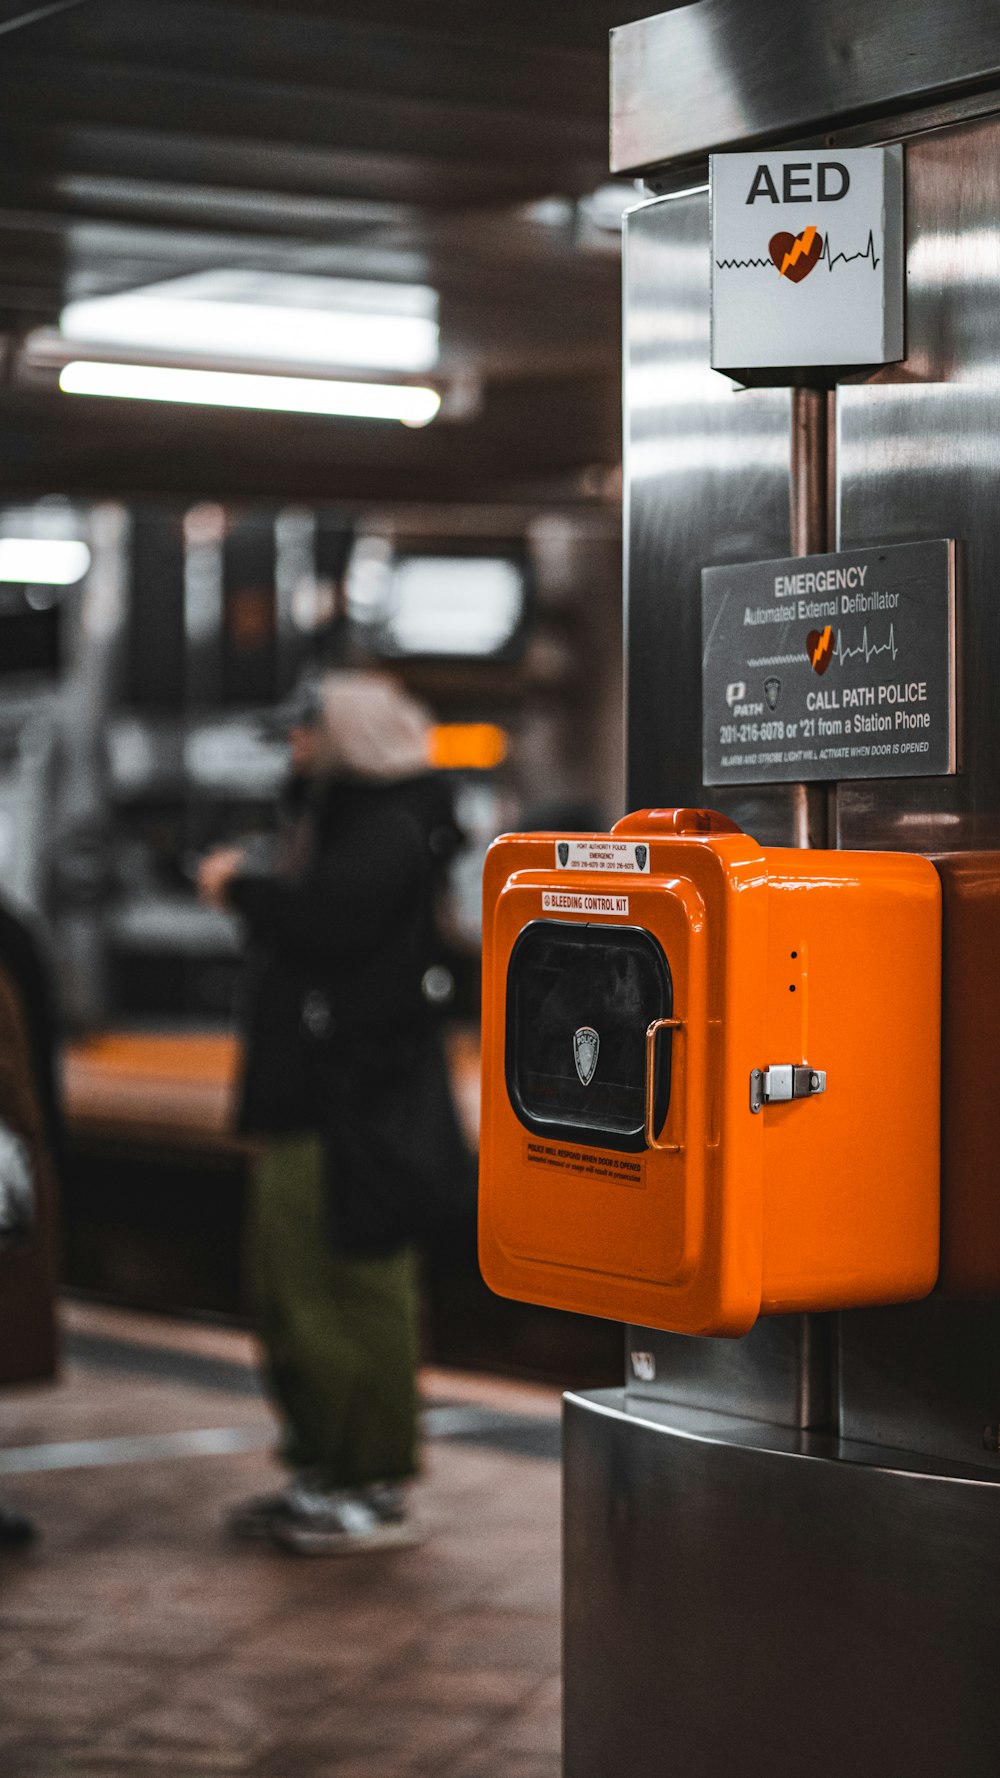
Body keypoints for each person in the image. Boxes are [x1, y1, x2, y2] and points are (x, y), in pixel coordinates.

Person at [198, 671, 472, 1555]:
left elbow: (328, 926)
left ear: (348, 735)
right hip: (313, 1099)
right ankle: (323, 1469)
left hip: (355, 1107)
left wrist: (240, 890)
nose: (296, 747)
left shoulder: (386, 829)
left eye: (307, 732)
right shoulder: (342, 821)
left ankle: (371, 1484)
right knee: (289, 1293)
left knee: (348, 1292)